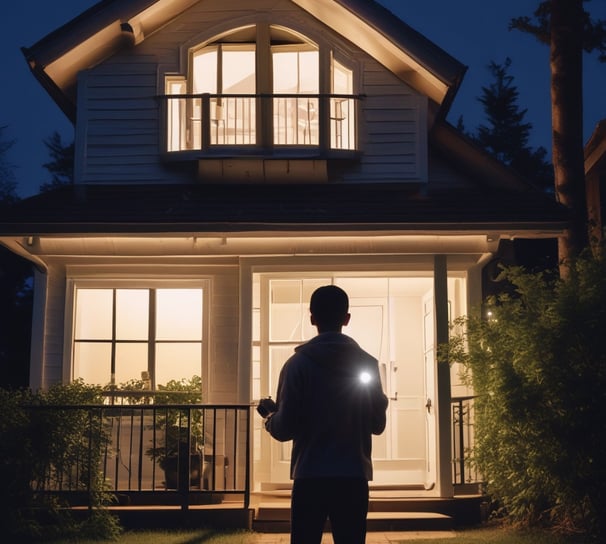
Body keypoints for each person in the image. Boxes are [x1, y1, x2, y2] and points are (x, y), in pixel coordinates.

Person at [257, 285, 389, 544]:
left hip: (310, 475)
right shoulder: (368, 364)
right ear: (346, 319)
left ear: (312, 318)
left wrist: (270, 417)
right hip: (353, 474)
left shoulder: (297, 365)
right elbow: (377, 424)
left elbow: (285, 429)